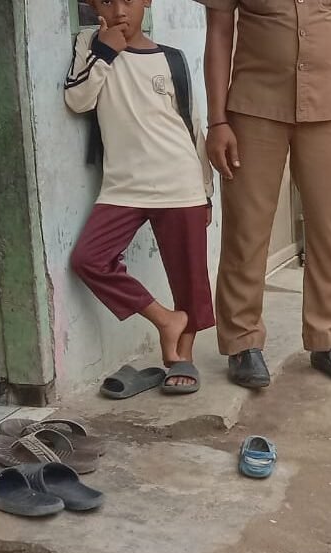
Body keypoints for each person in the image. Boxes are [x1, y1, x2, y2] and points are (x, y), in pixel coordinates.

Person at [197, 0, 331, 389]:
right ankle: (242, 343)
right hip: (254, 108)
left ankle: (327, 340)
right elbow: (219, 30)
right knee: (246, 230)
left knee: (330, 230)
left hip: (330, 106)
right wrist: (217, 121)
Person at [65, 0, 214, 394]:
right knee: (89, 259)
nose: (119, 10)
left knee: (189, 277)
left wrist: (205, 191)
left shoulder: (172, 58)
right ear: (93, 4)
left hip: (179, 180)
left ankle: (182, 358)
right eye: (107, 0)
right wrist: (105, 52)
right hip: (123, 185)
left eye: (129, 0)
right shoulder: (90, 45)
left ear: (146, 1)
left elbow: (193, 126)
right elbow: (78, 100)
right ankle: (166, 320)